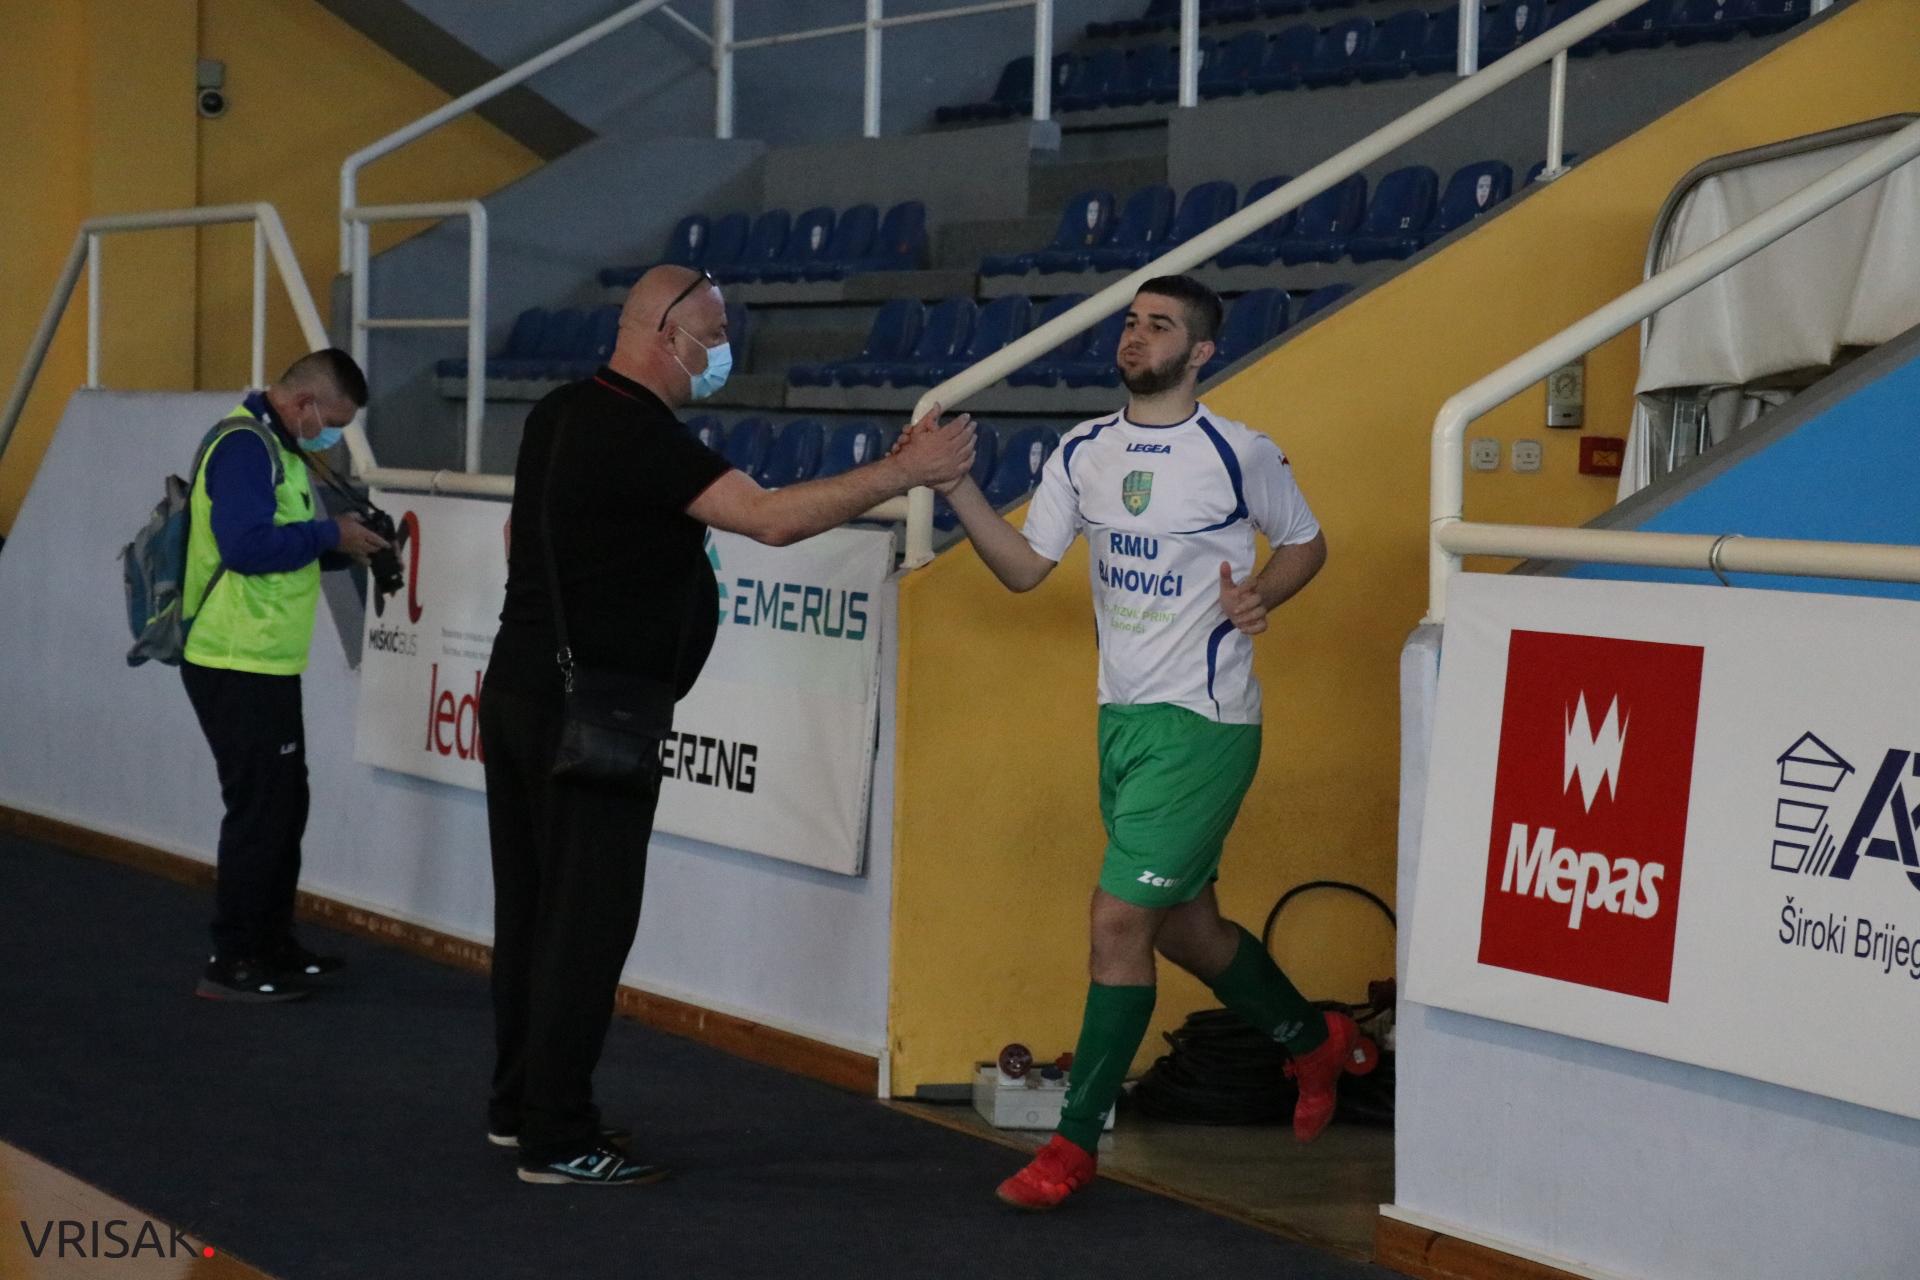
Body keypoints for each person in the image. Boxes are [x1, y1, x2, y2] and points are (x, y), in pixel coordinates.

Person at [480, 265, 975, 1187]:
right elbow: (770, 521)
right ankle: (558, 1134)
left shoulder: (558, 412)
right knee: (585, 926)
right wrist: (903, 471)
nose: (723, 352)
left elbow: (520, 539)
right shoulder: (641, 435)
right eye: (713, 335)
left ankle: (519, 1107)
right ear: (666, 336)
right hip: (597, 710)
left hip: (518, 686)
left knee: (533, 912)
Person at [924, 275, 1372, 1211]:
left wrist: (1264, 595)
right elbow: (1023, 571)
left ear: (1200, 352)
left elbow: (1307, 544)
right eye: (1131, 322)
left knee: (1116, 921)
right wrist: (955, 484)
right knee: (1185, 929)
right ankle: (1311, 1040)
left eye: (1158, 325)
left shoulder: (1236, 451)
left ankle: (1073, 1145)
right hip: (1121, 724)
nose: (1135, 337)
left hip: (1205, 725)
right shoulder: (1083, 449)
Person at [181, 348, 390, 1003]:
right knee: (260, 812)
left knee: (283, 805)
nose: (332, 435)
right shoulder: (247, 448)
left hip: (263, 659)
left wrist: (344, 542)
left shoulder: (276, 445)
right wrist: (330, 536)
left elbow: (281, 548)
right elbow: (244, 548)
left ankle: (271, 942)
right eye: (331, 421)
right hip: (234, 658)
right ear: (304, 405)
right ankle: (235, 959)